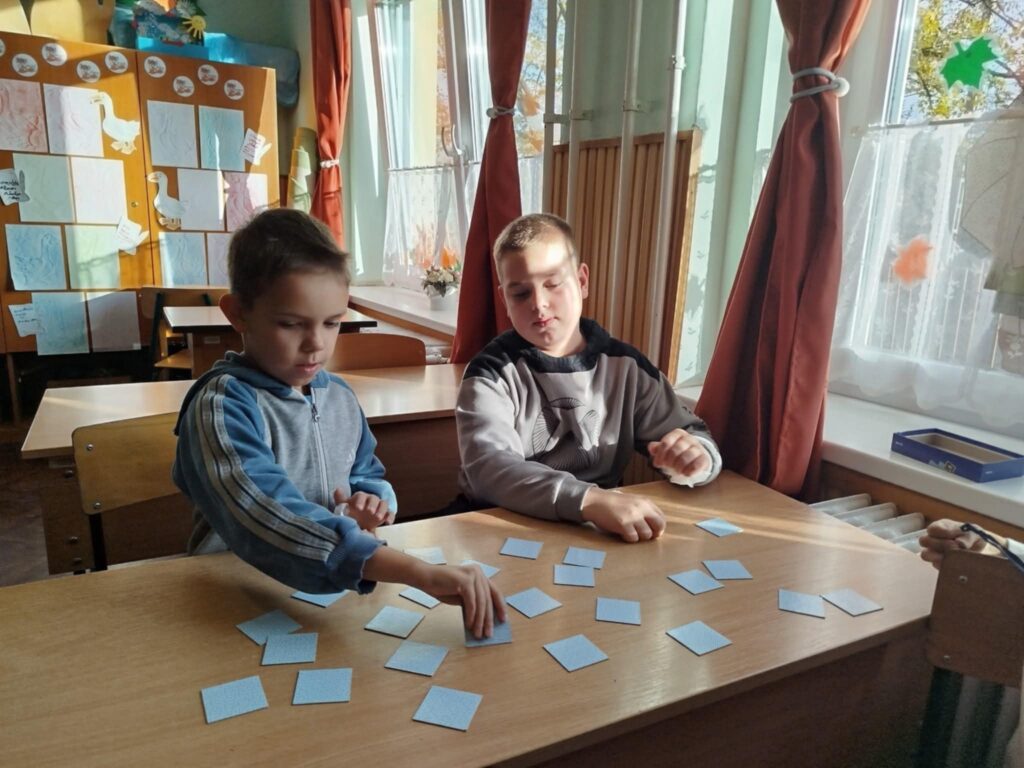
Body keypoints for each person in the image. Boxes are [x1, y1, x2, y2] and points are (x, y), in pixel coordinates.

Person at [173, 209, 504, 638]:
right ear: (237, 314)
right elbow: (266, 514)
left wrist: (371, 501)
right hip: (233, 597)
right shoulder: (221, 407)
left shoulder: (339, 397)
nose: (316, 344)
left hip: (324, 594)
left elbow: (365, 472)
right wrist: (417, 572)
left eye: (332, 323)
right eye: (290, 324)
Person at [456, 213, 722, 543]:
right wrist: (588, 500)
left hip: (596, 532)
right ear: (504, 300)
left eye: (553, 284)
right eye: (521, 294)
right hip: (500, 527)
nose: (539, 304)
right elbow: (489, 469)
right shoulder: (489, 375)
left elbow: (691, 433)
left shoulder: (627, 368)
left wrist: (697, 459)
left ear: (582, 281)